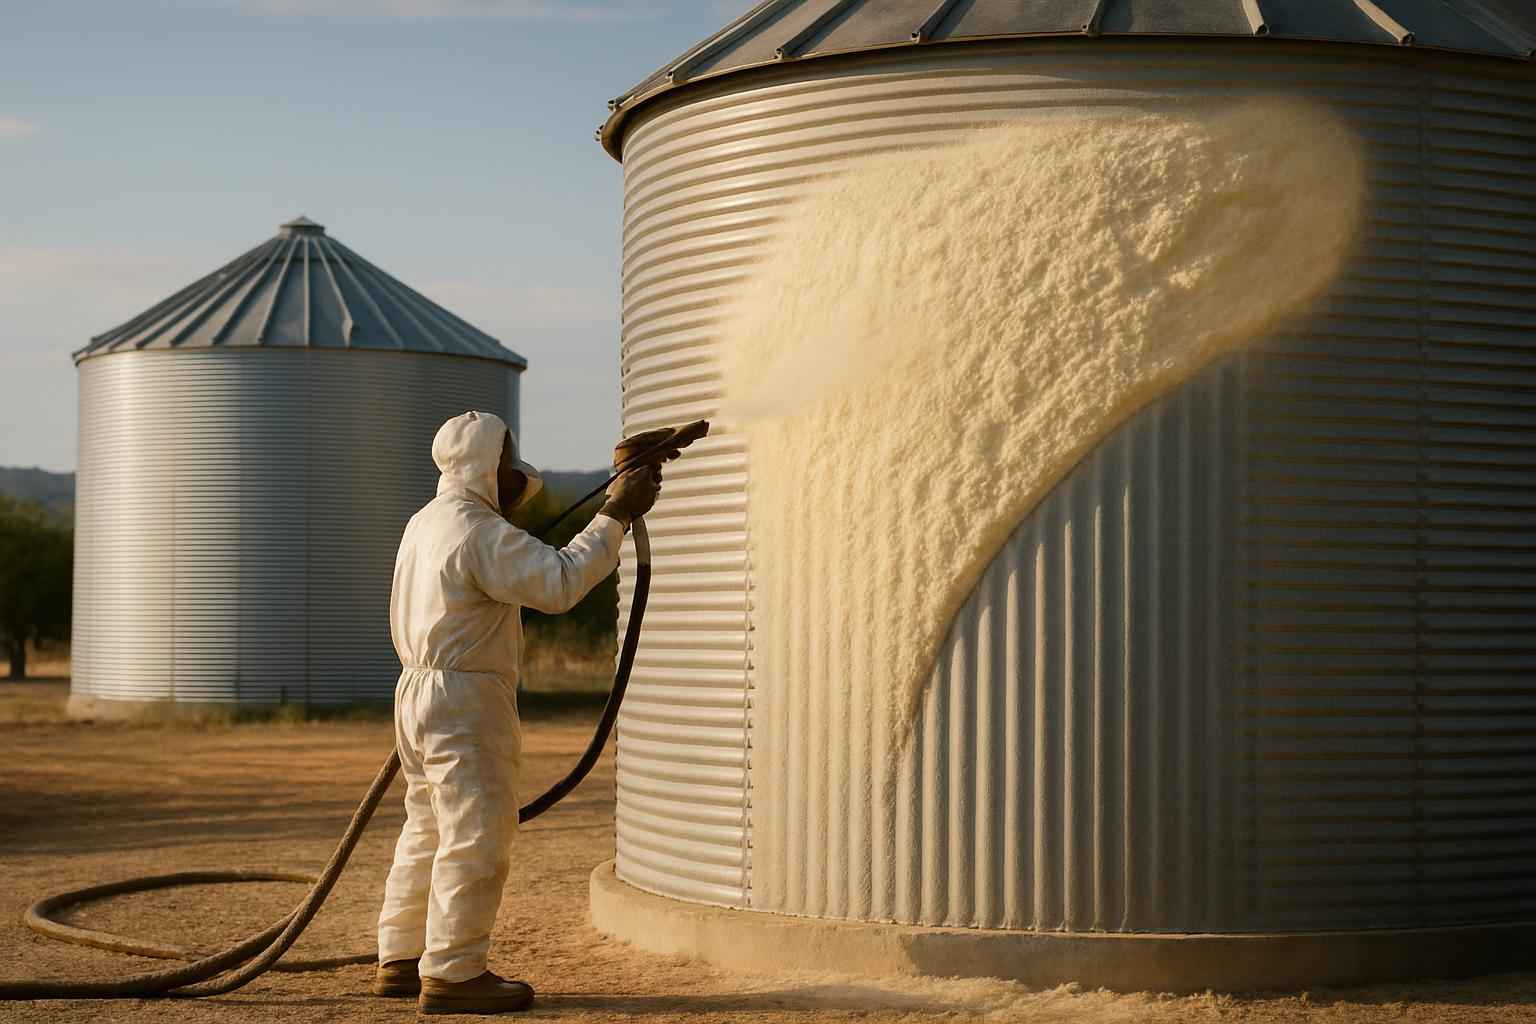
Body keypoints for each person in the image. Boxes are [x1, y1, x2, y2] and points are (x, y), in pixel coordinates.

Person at [373, 410, 662, 1016]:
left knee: (427, 825)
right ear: (486, 465)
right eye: (507, 461)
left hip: (417, 694)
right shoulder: (477, 530)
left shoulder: (425, 523)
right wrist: (615, 513)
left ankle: (401, 957)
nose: (514, 473)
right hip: (465, 700)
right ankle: (453, 972)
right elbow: (559, 584)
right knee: (475, 833)